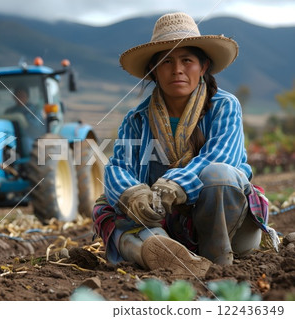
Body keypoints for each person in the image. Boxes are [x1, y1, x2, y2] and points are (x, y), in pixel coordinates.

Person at [92, 12, 277, 277]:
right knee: (107, 205)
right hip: (169, 225)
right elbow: (119, 167)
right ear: (154, 72)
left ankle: (216, 265)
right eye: (166, 62)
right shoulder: (137, 119)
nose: (177, 69)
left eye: (186, 60)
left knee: (219, 175)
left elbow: (221, 157)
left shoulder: (224, 106)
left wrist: (176, 185)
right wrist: (133, 194)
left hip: (229, 227)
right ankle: (155, 251)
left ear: (203, 67)